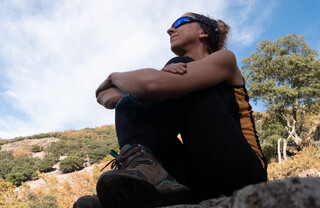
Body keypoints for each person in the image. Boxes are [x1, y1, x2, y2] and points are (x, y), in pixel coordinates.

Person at [73, 12, 268, 208]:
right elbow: (105, 97)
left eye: (180, 22)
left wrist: (113, 77)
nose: (170, 29)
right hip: (200, 179)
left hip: (244, 173)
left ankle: (146, 174)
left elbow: (150, 85)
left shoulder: (225, 59)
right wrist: (144, 88)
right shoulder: (171, 76)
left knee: (169, 76)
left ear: (203, 32)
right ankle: (144, 175)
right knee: (132, 102)